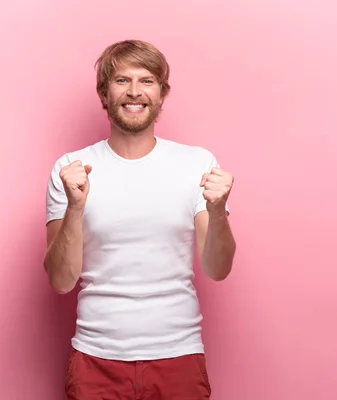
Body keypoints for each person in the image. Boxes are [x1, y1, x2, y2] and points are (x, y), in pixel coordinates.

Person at [44, 39, 236, 400]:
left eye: (147, 81)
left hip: (178, 355)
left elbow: (218, 268)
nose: (134, 92)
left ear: (162, 94)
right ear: (104, 93)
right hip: (96, 358)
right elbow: (60, 281)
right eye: (121, 81)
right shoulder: (71, 169)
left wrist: (217, 211)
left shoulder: (197, 164)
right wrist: (74, 208)